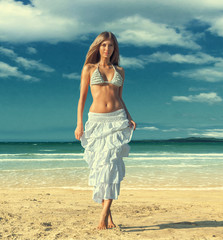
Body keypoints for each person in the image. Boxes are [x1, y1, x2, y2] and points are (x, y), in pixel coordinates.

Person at [74, 31, 136, 230]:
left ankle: (102, 217)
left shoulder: (120, 70)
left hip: (117, 120)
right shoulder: (89, 68)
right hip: (96, 122)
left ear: (114, 49)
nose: (107, 49)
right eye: (103, 45)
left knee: (112, 167)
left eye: (110, 46)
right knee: (101, 169)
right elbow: (82, 99)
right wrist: (79, 124)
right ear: (98, 47)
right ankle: (108, 217)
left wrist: (129, 116)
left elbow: (120, 96)